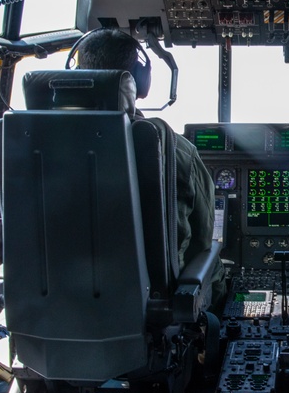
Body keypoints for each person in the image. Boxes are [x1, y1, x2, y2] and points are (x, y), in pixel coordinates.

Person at [75, 28, 223, 297]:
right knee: (213, 270)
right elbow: (201, 242)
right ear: (141, 81)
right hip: (152, 316)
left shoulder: (20, 141)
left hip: (45, 319)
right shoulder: (173, 149)